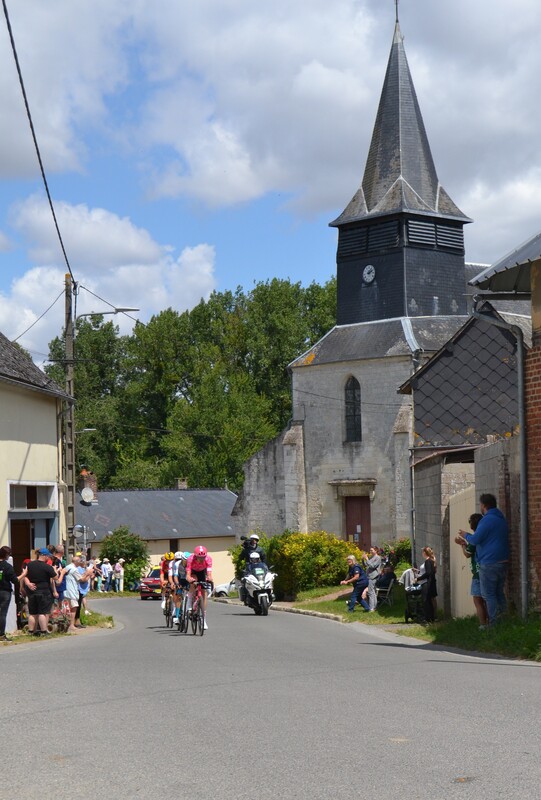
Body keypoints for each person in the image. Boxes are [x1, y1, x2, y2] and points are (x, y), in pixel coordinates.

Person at [456, 493, 509, 626]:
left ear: (484, 506)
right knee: (499, 593)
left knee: (489, 595)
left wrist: (465, 535)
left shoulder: (486, 520)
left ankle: (494, 624)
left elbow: (475, 539)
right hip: (503, 561)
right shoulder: (501, 518)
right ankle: (505, 620)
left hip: (489, 563)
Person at [455, 513, 488, 630]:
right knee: (487, 598)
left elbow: (467, 554)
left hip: (478, 573)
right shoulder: (485, 537)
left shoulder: (475, 538)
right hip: (486, 569)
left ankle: (483, 624)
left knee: (478, 599)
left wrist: (462, 545)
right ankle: (491, 621)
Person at [24, 548, 58, 635]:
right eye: (48, 556)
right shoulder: (47, 567)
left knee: (33, 613)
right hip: (43, 591)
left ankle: (31, 631)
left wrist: (28, 584)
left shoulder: (30, 565)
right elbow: (55, 578)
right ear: (44, 556)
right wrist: (55, 570)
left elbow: (25, 576)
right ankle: (43, 631)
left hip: (32, 591)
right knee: (42, 612)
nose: (48, 558)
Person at [186, 546, 213, 630]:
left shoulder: (208, 559)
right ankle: (189, 601)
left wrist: (209, 578)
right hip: (193, 571)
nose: (202, 559)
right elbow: (188, 573)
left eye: (203, 557)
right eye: (199, 557)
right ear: (195, 556)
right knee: (193, 581)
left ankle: (203, 619)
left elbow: (209, 572)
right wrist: (189, 578)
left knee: (204, 592)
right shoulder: (190, 558)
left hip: (202, 572)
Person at [0, 546, 18, 641]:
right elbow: (14, 580)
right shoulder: (7, 566)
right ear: (6, 555)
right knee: (2, 614)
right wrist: (23, 574)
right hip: (5, 591)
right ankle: (1, 634)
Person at [415, 547, 437, 622]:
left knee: (426, 601)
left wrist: (418, 579)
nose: (422, 553)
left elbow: (428, 573)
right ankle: (431, 617)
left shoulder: (428, 561)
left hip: (426, 583)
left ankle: (428, 617)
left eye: (422, 552)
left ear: (424, 553)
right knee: (429, 600)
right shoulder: (431, 561)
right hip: (430, 582)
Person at [171, 552, 189, 623]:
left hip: (188, 579)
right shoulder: (177, 564)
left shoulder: (190, 564)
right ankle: (177, 615)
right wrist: (177, 583)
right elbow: (175, 576)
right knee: (178, 595)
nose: (186, 562)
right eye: (185, 560)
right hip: (180, 579)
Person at [366, 546, 382, 611]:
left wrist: (367, 559)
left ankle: (371, 608)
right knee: (373, 592)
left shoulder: (378, 558)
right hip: (370, 576)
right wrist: (363, 559)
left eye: (372, 550)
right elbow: (367, 565)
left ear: (376, 551)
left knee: (370, 592)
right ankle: (374, 606)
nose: (370, 551)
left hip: (373, 576)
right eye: (370, 550)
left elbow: (373, 566)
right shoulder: (371, 557)